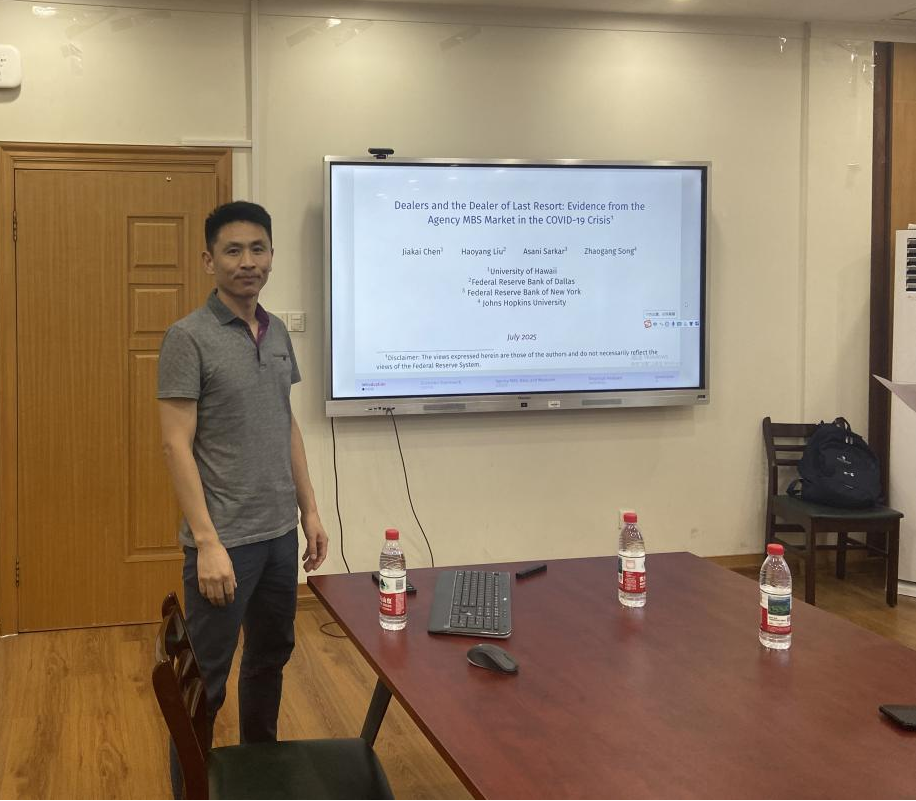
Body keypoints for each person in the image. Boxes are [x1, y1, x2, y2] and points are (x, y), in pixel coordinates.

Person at [157, 200, 328, 798]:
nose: (247, 261)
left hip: (279, 535)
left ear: (272, 256)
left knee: (269, 659)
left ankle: (261, 773)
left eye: (258, 249)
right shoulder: (188, 337)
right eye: (233, 250)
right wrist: (207, 543)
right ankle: (191, 790)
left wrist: (309, 509)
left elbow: (286, 423)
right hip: (224, 543)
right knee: (205, 681)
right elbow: (176, 445)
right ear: (209, 260)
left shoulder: (276, 331)